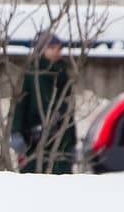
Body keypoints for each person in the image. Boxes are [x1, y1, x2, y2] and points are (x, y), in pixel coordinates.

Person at [11, 32, 76, 174]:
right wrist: (16, 133)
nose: (56, 52)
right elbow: (20, 106)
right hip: (34, 142)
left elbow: (69, 113)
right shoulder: (31, 75)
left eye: (59, 48)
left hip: (61, 142)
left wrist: (72, 143)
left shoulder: (63, 74)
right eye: (51, 47)